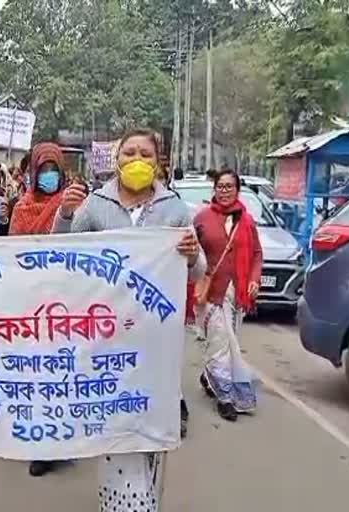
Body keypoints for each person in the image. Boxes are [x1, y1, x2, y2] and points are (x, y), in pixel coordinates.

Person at [51, 129, 204, 510]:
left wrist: (191, 253)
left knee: (148, 422)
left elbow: (195, 271)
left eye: (145, 153)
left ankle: (142, 495)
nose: (137, 159)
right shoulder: (95, 206)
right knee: (115, 423)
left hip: (155, 337)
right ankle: (124, 501)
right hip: (106, 337)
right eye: (129, 152)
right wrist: (65, 215)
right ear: (116, 160)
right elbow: (60, 254)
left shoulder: (174, 209)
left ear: (158, 161)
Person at [194, 168, 262, 422]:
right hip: (211, 293)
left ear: (237, 190)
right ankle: (225, 398)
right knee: (220, 343)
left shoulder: (247, 221)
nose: (224, 191)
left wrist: (254, 280)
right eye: (220, 186)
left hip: (238, 294)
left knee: (227, 341)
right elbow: (190, 252)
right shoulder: (201, 218)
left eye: (229, 187)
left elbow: (256, 253)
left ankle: (208, 376)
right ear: (214, 189)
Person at [9, 142, 69, 235]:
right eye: (44, 170)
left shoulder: (70, 205)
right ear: (35, 172)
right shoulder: (21, 209)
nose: (49, 174)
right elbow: (14, 247)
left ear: (61, 172)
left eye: (54, 170)